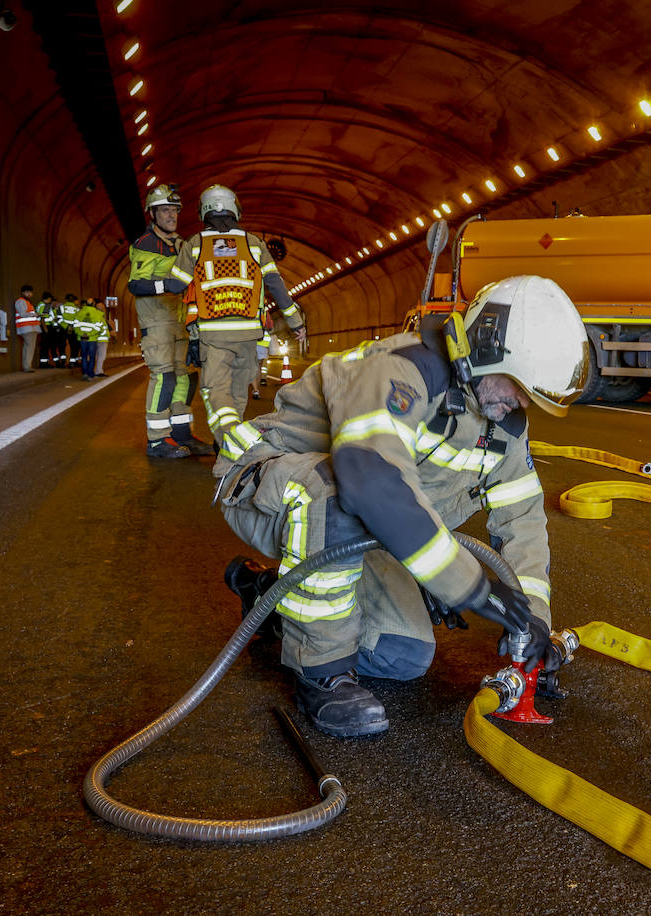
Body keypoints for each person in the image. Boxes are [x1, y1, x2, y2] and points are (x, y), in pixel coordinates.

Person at [214, 275, 590, 738]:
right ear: (488, 347)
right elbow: (370, 482)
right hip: (267, 487)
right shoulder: (404, 369)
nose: (520, 403)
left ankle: (272, 596)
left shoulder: (502, 421)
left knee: (404, 654)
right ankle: (320, 670)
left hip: (361, 528)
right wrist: (466, 585)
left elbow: (523, 520)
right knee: (334, 493)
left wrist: (532, 622)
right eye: (518, 387)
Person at [165, 184, 306, 447]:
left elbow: (175, 285)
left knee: (217, 392)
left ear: (203, 212)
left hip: (213, 337)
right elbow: (276, 285)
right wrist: (296, 321)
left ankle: (229, 440)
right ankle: (229, 442)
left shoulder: (195, 245)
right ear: (235, 209)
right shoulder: (254, 244)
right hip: (248, 337)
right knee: (238, 392)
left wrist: (154, 281)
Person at [126, 183, 213, 459]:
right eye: (164, 210)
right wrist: (168, 286)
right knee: (163, 376)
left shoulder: (182, 244)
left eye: (174, 210)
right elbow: (136, 285)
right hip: (158, 322)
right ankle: (156, 441)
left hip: (179, 321)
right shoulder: (146, 244)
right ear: (152, 214)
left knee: (186, 376)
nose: (171, 215)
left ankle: (181, 435)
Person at [74, 297, 105, 379]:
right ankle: (90, 373)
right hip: (92, 338)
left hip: (82, 338)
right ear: (94, 304)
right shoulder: (98, 314)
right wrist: (90, 334)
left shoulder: (80, 312)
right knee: (91, 356)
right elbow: (99, 328)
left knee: (84, 355)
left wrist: (83, 334)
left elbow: (75, 326)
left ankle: (84, 373)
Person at [13, 284, 40, 372]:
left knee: (28, 347)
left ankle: (27, 366)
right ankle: (27, 367)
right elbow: (23, 314)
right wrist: (35, 314)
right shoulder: (21, 301)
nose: (29, 294)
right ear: (22, 293)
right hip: (27, 328)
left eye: (30, 292)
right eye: (27, 292)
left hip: (29, 328)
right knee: (29, 347)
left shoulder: (27, 302)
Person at [58, 294, 82, 369]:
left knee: (62, 345)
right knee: (74, 346)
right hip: (73, 329)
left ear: (66, 299)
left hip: (63, 329)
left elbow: (59, 319)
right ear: (74, 300)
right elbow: (78, 320)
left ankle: (63, 362)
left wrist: (66, 327)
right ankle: (72, 362)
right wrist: (72, 327)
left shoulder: (61, 307)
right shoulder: (77, 309)